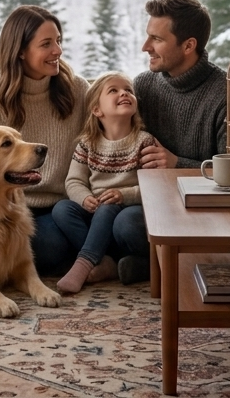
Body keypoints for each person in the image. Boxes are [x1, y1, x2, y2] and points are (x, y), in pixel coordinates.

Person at [0, 5, 89, 277]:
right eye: (47, 44)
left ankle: (92, 260)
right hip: (5, 209)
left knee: (49, 243)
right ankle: (94, 260)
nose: (58, 51)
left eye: (59, 41)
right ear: (20, 51)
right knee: (42, 247)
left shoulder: (78, 89)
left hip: (62, 207)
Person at [109, 0, 229, 284]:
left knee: (131, 226)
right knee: (122, 222)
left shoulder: (229, 94)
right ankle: (164, 263)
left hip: (206, 208)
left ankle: (151, 266)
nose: (145, 47)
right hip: (153, 202)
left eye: (156, 39)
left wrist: (178, 164)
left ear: (188, 45)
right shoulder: (144, 85)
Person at [51, 72, 157, 294]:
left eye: (128, 90)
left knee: (114, 211)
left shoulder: (144, 141)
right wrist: (84, 198)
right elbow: (74, 181)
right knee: (62, 209)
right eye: (113, 90)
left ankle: (84, 263)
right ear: (97, 110)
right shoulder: (87, 144)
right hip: (96, 211)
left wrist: (124, 195)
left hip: (129, 212)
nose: (124, 93)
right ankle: (105, 261)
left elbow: (155, 186)